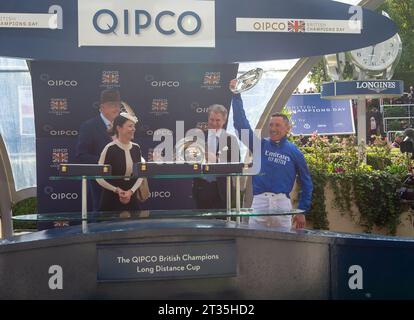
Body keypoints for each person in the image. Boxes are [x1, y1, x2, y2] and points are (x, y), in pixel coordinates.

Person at [230, 80, 313, 229]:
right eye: (271, 125)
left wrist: (302, 210)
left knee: (283, 246)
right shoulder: (259, 145)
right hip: (259, 202)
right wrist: (236, 96)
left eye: (277, 125)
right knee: (256, 243)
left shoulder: (295, 152)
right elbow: (242, 126)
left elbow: (307, 183)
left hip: (282, 204)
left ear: (287, 128)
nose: (273, 128)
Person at [76, 89, 122, 211]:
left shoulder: (123, 126)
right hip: (100, 183)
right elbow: (81, 155)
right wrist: (106, 162)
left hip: (123, 181)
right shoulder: (89, 126)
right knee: (101, 218)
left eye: (118, 105)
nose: (117, 109)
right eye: (112, 105)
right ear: (101, 108)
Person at [192, 104, 239, 209]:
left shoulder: (231, 140)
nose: (214, 123)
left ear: (224, 121)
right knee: (200, 222)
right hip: (201, 188)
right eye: (211, 119)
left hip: (222, 190)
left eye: (217, 120)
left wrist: (217, 160)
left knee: (221, 224)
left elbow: (237, 164)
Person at [96, 113, 144, 211]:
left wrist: (131, 191)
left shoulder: (136, 148)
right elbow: (98, 177)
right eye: (130, 126)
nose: (133, 129)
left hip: (131, 197)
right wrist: (116, 190)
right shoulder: (109, 148)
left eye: (134, 126)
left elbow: (141, 174)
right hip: (111, 198)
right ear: (119, 128)